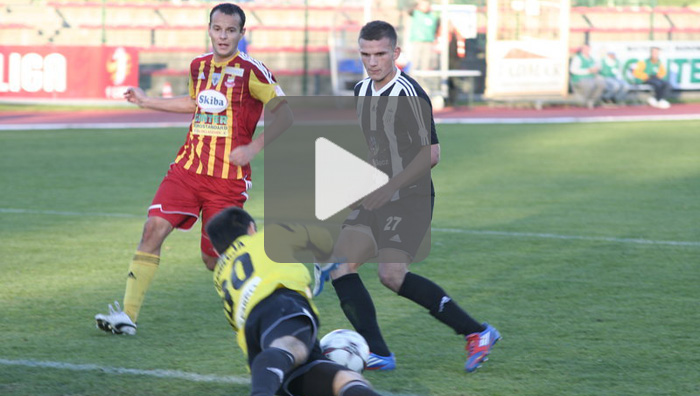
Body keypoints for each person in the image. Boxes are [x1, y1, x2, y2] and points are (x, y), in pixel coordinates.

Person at [95, 3, 291, 335]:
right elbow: (193, 102)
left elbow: (285, 114)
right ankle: (127, 316)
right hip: (186, 170)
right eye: (218, 28)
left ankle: (270, 306)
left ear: (242, 34)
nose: (223, 36)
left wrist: (253, 148)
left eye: (231, 30)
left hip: (227, 181)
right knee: (152, 229)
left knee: (215, 260)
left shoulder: (252, 71)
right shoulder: (198, 66)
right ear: (209, 29)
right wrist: (146, 101)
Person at [314, 20, 499, 373]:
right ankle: (380, 352)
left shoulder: (410, 95)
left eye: (380, 53)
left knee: (392, 275)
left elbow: (431, 154)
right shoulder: (361, 90)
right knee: (341, 268)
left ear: (395, 53)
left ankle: (477, 333)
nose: (372, 61)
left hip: (410, 198)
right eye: (366, 54)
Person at [207, 206, 384, 396]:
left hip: (254, 339)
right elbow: (318, 236)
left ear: (218, 251)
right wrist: (326, 263)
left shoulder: (220, 276)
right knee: (291, 347)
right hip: (281, 304)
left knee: (345, 379)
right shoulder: (267, 237)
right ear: (251, 228)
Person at [407, 0, 439, 94]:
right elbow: (409, 10)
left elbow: (437, 25)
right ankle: (411, 83)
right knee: (415, 62)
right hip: (417, 41)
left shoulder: (433, 15)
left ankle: (423, 85)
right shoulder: (416, 12)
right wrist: (418, 5)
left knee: (426, 64)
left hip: (428, 42)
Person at [569, 44, 606, 109]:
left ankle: (591, 100)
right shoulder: (578, 58)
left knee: (601, 83)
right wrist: (588, 70)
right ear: (582, 50)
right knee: (590, 84)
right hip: (579, 78)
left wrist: (596, 69)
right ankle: (582, 101)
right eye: (585, 49)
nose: (587, 50)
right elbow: (573, 70)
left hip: (591, 77)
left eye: (588, 49)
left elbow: (597, 67)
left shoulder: (592, 58)